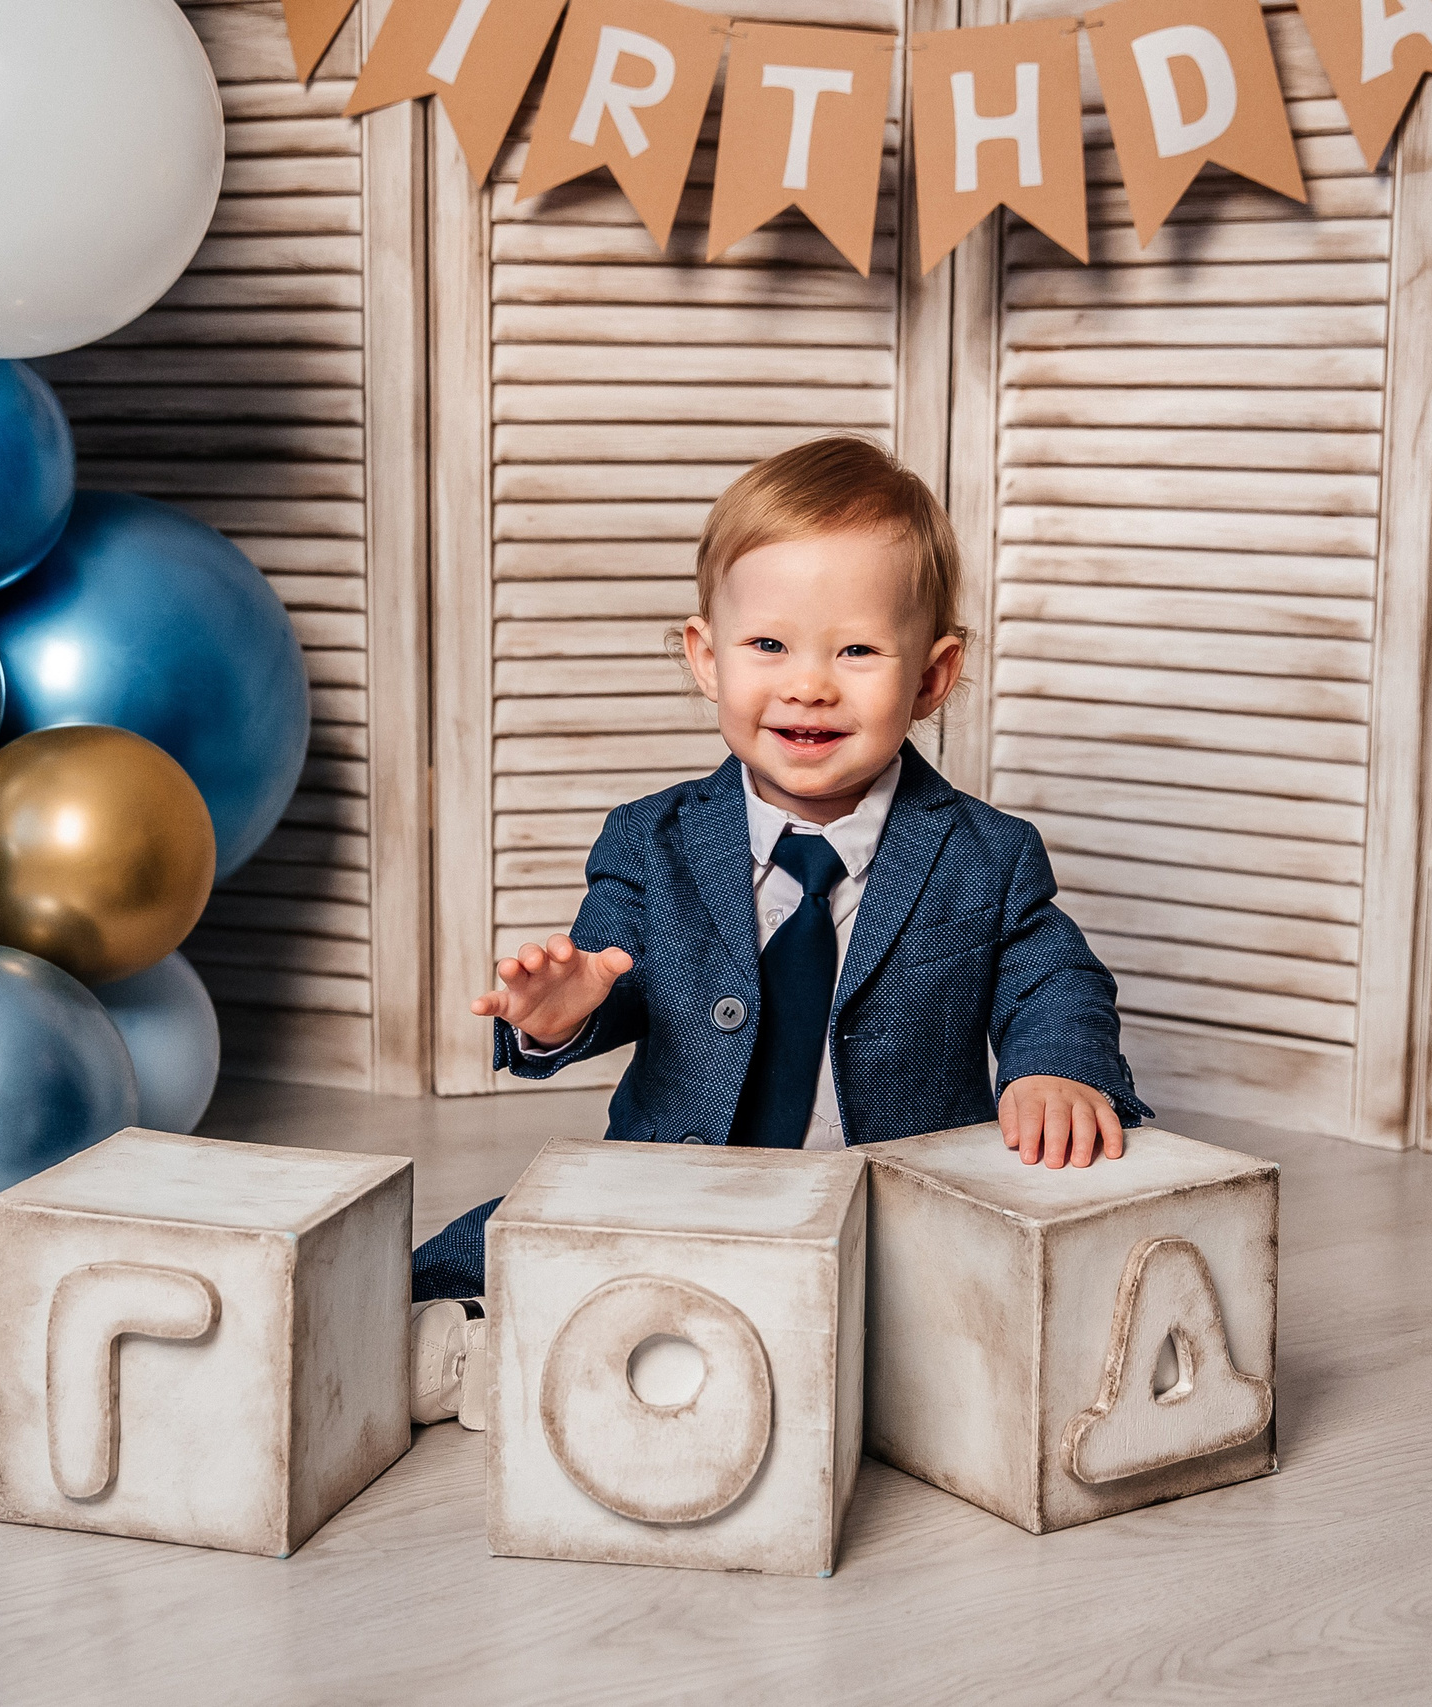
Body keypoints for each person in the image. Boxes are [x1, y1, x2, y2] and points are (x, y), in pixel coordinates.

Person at [407, 436, 1150, 1429]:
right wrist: (562, 1007)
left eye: (854, 650)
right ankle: (454, 1326)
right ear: (706, 659)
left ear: (931, 678)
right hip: (678, 1183)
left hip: (880, 1206)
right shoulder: (654, 838)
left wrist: (1058, 1068)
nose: (808, 684)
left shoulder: (986, 853)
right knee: (525, 1233)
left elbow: (1051, 975)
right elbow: (612, 965)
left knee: (890, 1336)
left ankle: (605, 1361)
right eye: (769, 646)